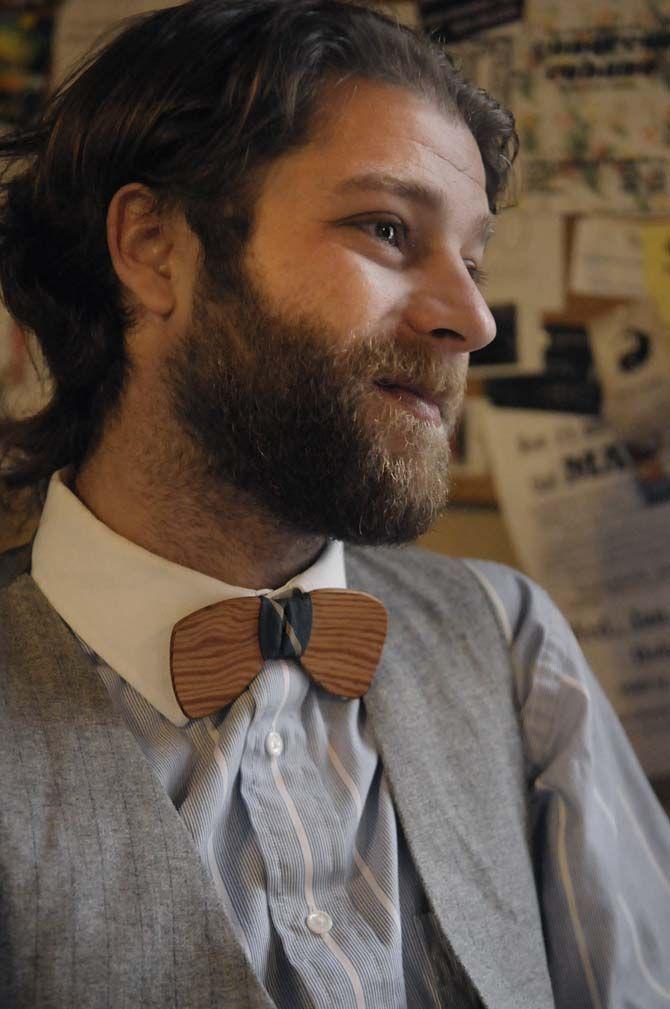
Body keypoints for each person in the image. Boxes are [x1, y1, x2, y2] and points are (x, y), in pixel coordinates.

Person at [0, 2, 668, 1007]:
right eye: (388, 229)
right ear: (152, 247)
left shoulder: (512, 643)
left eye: (474, 261)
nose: (473, 319)